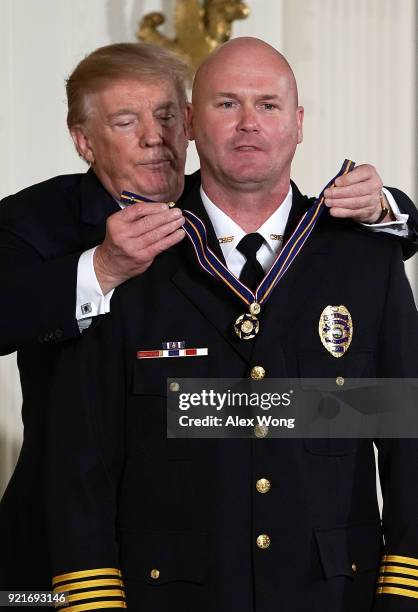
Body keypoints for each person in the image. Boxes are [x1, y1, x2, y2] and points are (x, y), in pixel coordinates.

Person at [0, 40, 416, 597]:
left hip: (327, 580)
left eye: (267, 106)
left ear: (298, 124)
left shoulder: (358, 249)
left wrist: (391, 211)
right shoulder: (90, 241)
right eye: (126, 121)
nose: (154, 137)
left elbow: (398, 425)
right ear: (83, 139)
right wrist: (100, 269)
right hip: (84, 559)